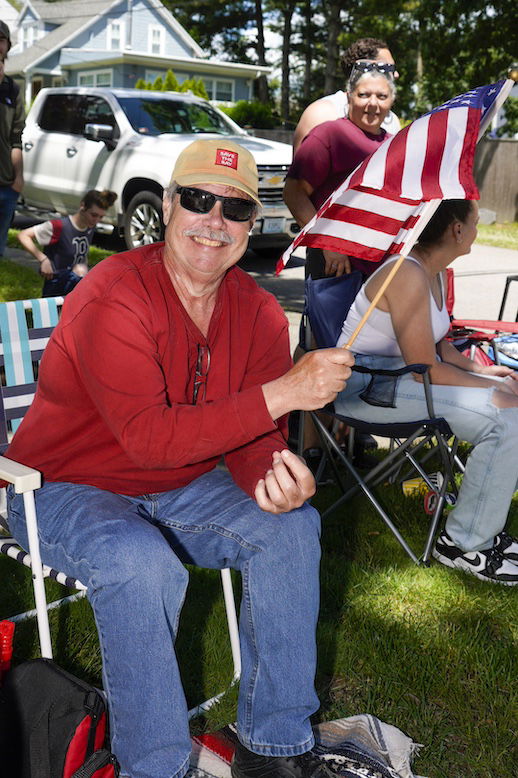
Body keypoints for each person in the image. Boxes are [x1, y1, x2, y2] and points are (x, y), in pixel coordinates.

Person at [4, 139, 354, 778]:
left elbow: (251, 438)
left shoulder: (259, 313)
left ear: (256, 224)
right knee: (142, 563)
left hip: (183, 485)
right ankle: (155, 767)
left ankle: (273, 747)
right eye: (197, 199)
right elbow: (147, 438)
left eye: (235, 208)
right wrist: (287, 393)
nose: (214, 222)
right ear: (167, 207)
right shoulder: (116, 294)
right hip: (59, 486)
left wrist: (272, 477)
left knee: (292, 528)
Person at [335, 199, 518, 586]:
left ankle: (485, 530)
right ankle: (462, 544)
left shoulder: (433, 271)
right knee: (506, 415)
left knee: (511, 403)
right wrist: (495, 389)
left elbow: (442, 347)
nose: (477, 230)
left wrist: (488, 372)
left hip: (399, 381)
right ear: (456, 230)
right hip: (366, 390)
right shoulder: (405, 273)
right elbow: (426, 369)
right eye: (475, 221)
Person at [285, 65, 395, 280]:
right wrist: (326, 243)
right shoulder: (329, 134)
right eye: (364, 95)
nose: (373, 103)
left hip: (379, 265)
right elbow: (293, 193)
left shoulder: (394, 144)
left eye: (382, 96)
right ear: (350, 97)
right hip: (336, 265)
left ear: (391, 101)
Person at [292, 37, 400, 154]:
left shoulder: (392, 120)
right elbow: (302, 169)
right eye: (389, 68)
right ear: (362, 68)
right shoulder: (321, 113)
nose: (396, 75)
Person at [17, 189, 117, 297]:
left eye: (101, 217)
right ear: (82, 206)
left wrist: (84, 266)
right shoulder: (59, 226)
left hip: (78, 281)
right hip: (56, 282)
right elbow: (23, 235)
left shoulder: (89, 227)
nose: (96, 220)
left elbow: (81, 253)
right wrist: (43, 259)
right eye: (93, 215)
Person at [0, 21, 25, 259]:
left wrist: (18, 178)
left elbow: (16, 138)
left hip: (6, 186)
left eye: (1, 39)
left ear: (7, 45)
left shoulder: (12, 90)